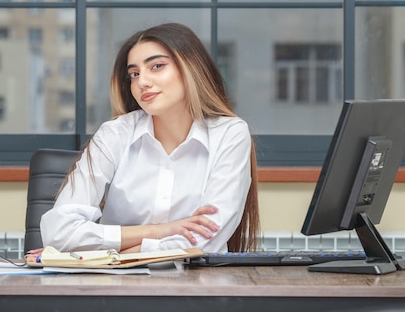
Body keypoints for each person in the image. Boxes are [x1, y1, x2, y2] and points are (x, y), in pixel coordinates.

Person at [35, 22, 259, 255]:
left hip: (197, 284)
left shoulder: (230, 134)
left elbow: (205, 241)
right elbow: (58, 233)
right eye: (134, 74)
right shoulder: (114, 134)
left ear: (192, 67)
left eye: (157, 66)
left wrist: (107, 254)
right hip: (116, 286)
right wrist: (159, 231)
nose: (142, 81)